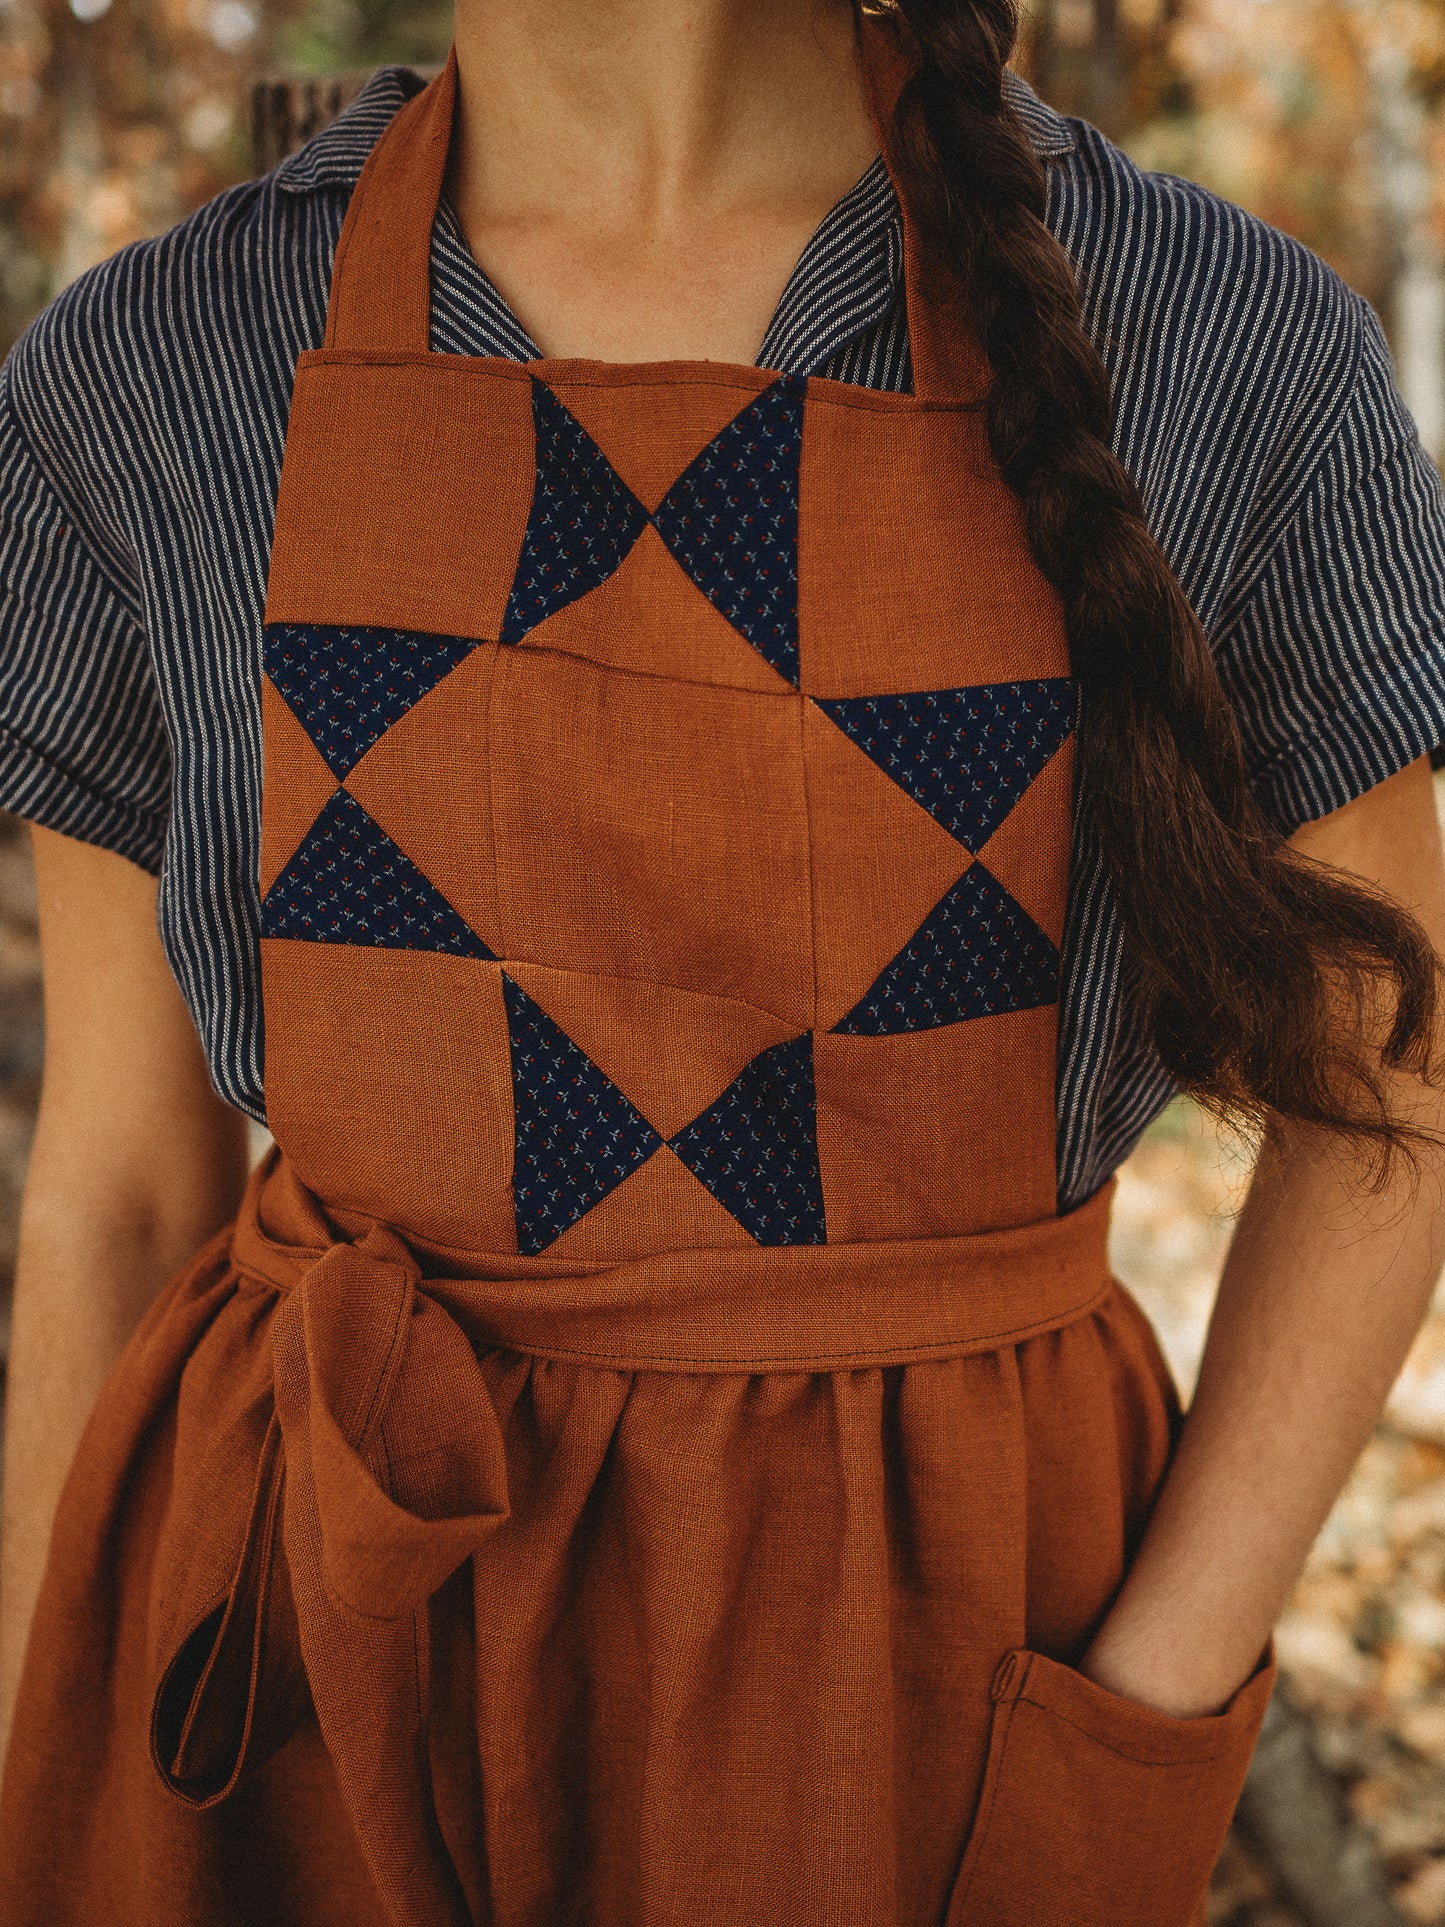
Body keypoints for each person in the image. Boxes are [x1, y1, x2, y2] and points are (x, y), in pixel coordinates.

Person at [0, 0, 1443, 1920]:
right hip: (314, 1676)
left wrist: (1146, 1698)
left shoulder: (1216, 346)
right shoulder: (147, 379)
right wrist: (37, 1767)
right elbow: (118, 1189)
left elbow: (1396, 1068)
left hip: (929, 1683)